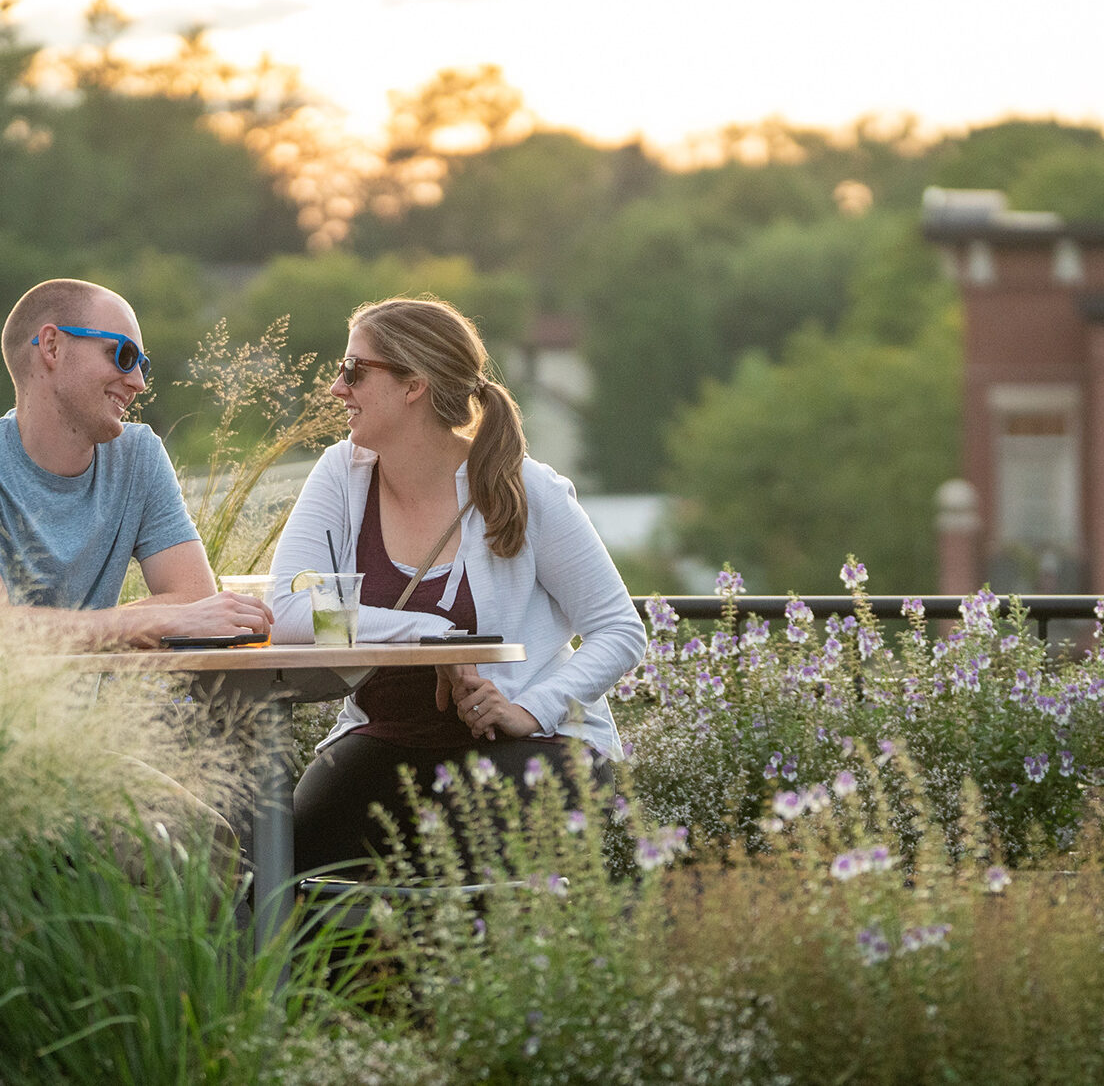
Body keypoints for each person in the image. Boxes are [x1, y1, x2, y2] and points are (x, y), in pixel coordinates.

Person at [269, 296, 646, 878]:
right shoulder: (342, 477)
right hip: (384, 743)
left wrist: (531, 709)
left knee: (476, 888)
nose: (336, 389)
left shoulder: (522, 486)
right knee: (286, 874)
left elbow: (618, 630)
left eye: (354, 371)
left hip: (525, 749)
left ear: (413, 384)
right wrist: (431, 634)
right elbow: (292, 612)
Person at [0, 277, 273, 885]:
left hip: (77, 756)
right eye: (122, 356)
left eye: (143, 363)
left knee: (210, 846)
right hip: (11, 757)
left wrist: (147, 619)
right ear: (51, 347)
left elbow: (198, 601)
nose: (139, 382)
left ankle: (162, 986)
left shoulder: (137, 456)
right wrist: (151, 618)